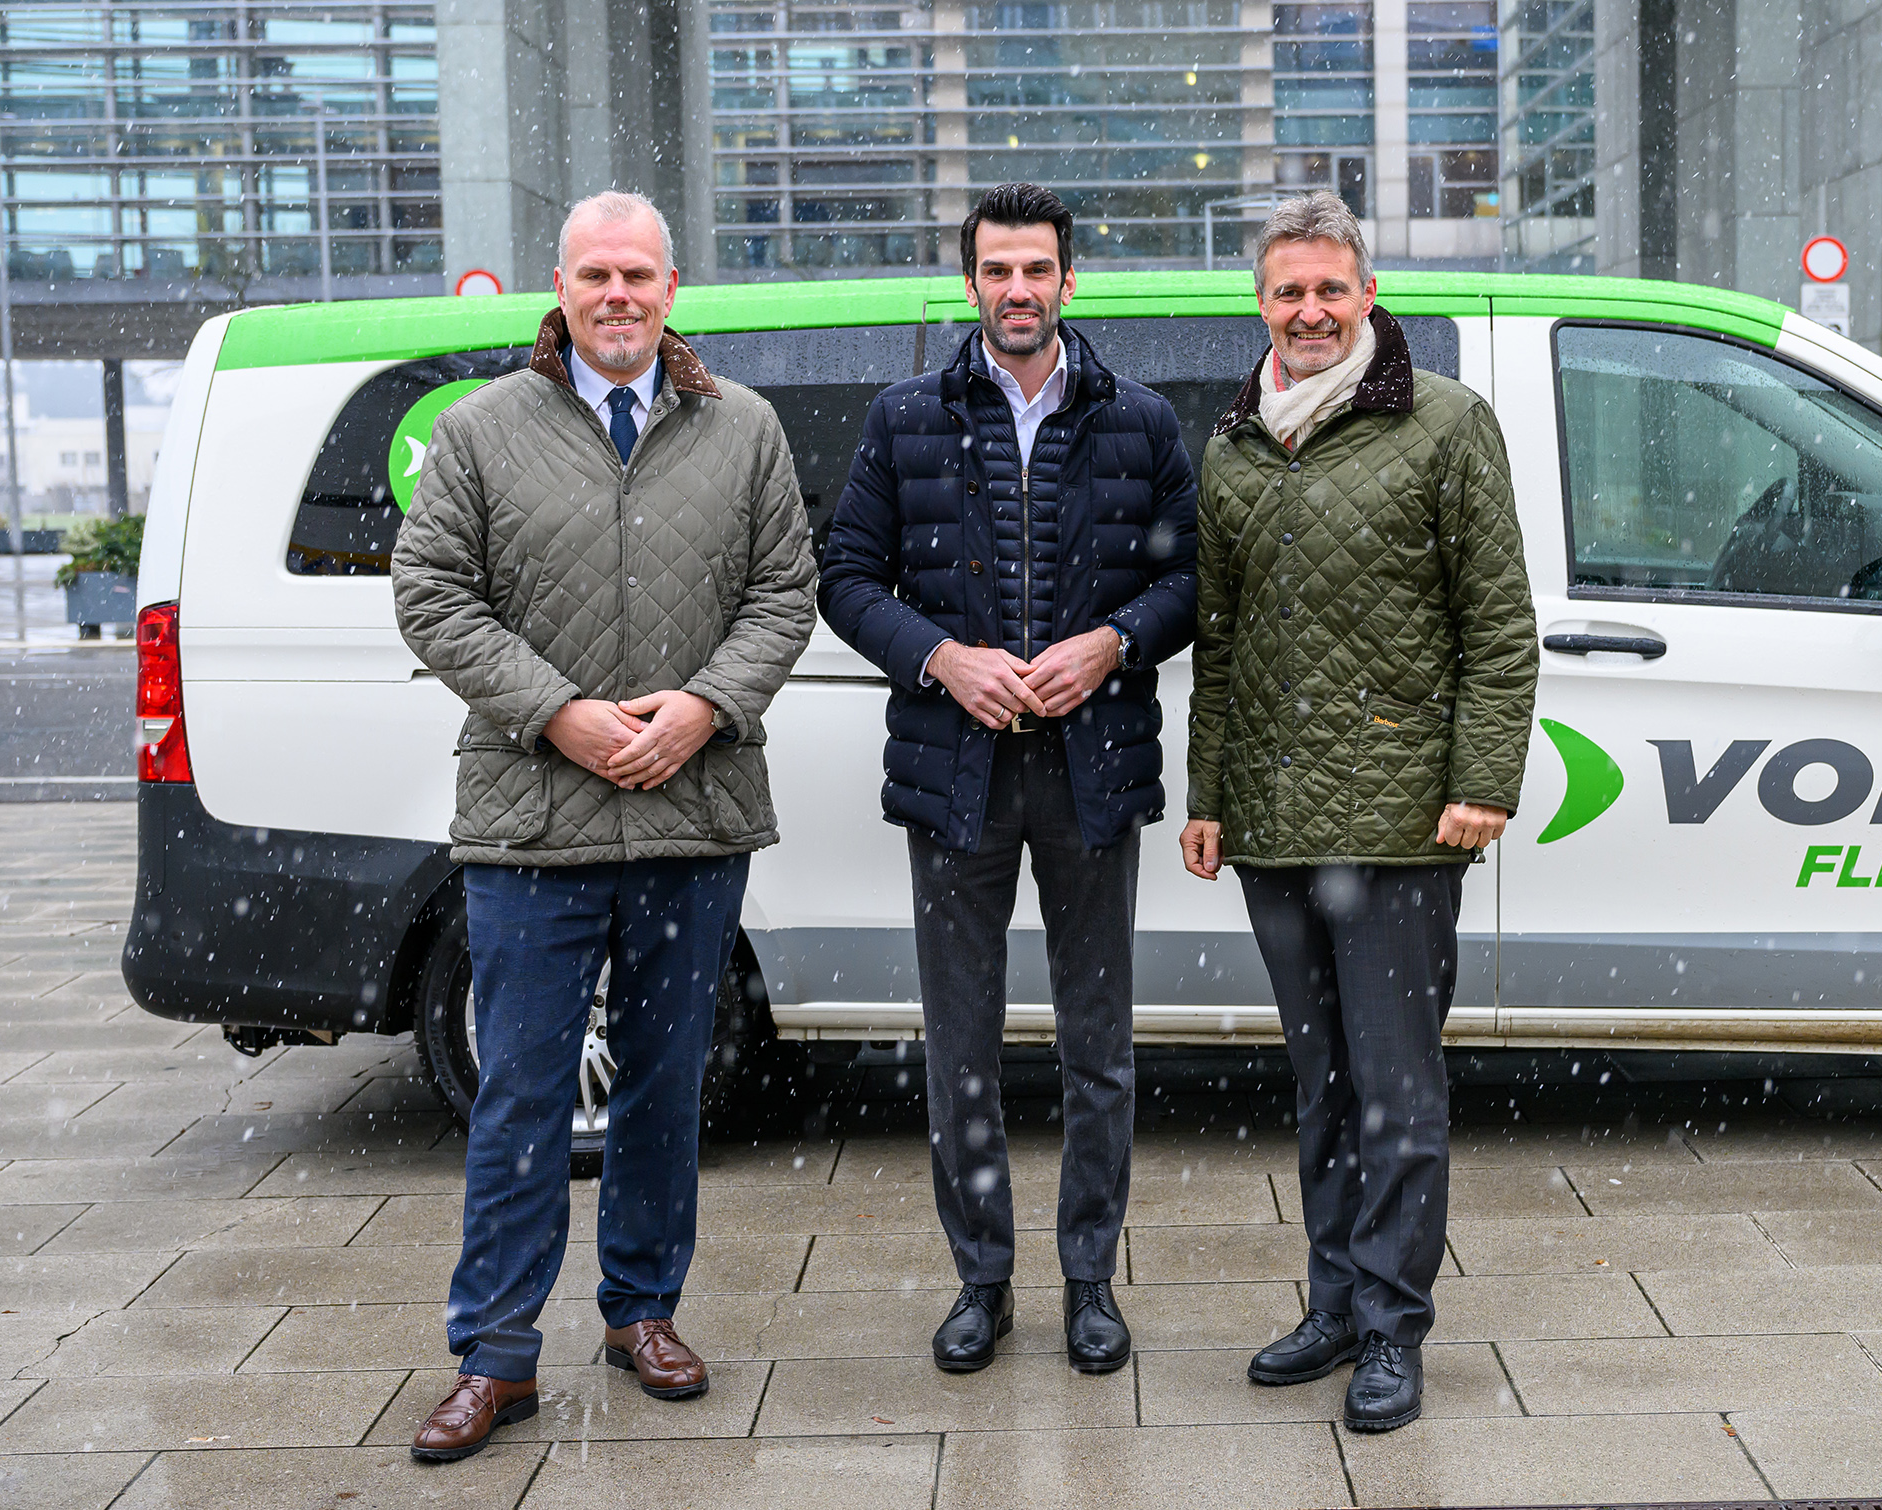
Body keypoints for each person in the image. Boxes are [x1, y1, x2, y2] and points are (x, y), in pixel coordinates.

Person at [392, 189, 816, 1461]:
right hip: (533, 819)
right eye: (596, 275)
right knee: (521, 1093)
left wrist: (703, 706)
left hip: (693, 810)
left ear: (671, 288)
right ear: (561, 288)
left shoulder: (743, 428)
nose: (618, 294)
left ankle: (642, 1311)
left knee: (662, 1085)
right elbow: (432, 596)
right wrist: (559, 714)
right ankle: (494, 1354)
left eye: (638, 273)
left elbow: (783, 594)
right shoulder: (479, 430)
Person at [819, 182, 1197, 1376]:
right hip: (958, 772)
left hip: (1092, 770)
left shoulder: (1138, 421)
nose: (1017, 289)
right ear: (970, 281)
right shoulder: (903, 418)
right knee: (960, 1045)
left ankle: (1090, 1280)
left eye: (1037, 268)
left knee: (1098, 1043)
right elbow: (844, 576)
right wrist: (940, 657)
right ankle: (980, 1281)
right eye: (997, 269)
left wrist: (1114, 643)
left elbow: (1192, 577)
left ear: (1069, 280)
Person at [1178, 191, 1538, 1433]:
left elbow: (1498, 624)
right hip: (1273, 824)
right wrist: (1207, 795)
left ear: (1367, 294)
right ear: (1259, 303)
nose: (1310, 310)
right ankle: (1331, 1301)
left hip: (1398, 822)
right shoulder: (1233, 442)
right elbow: (1218, 643)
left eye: (1330, 288)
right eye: (1287, 290)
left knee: (1395, 1088)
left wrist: (1481, 779)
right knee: (1322, 1083)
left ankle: (1391, 1327)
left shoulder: (1444, 422)